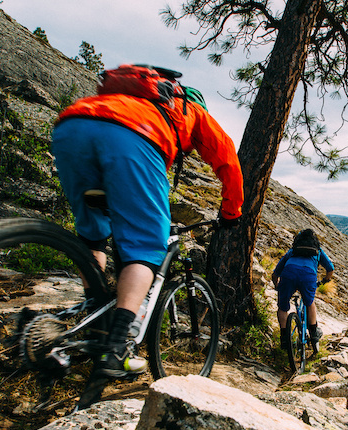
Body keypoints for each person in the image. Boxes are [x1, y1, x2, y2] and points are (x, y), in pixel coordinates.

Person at [51, 68, 243, 380]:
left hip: (71, 126)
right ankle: (115, 348)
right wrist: (231, 213)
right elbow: (227, 160)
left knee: (94, 235)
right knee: (146, 246)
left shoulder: (128, 99)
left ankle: (96, 319)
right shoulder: (193, 110)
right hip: (133, 136)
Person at [271, 229, 334, 353]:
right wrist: (325, 280)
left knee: (282, 308)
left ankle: (284, 338)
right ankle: (313, 333)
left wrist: (277, 285)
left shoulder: (292, 252)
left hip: (288, 274)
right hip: (308, 276)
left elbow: (275, 274)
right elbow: (330, 269)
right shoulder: (318, 252)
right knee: (309, 303)